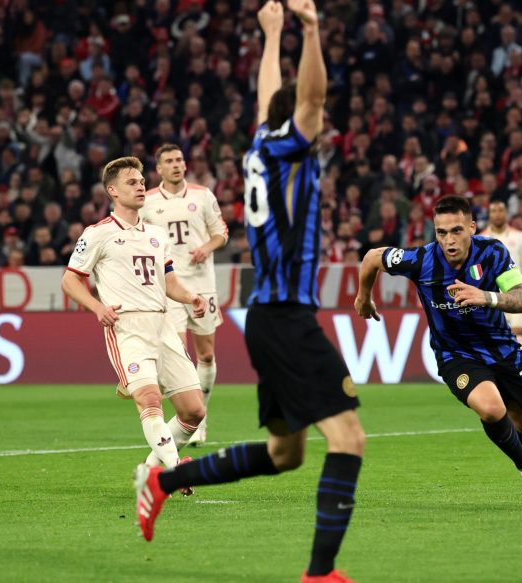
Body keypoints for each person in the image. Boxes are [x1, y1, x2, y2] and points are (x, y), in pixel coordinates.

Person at [134, 4, 366, 583]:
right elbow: (308, 100)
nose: (320, 121)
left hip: (266, 315)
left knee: (287, 454)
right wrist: (309, 31)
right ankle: (321, 574)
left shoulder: (262, 144)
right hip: (287, 317)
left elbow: (275, 100)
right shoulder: (291, 146)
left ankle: (163, 480)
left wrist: (271, 35)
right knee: (349, 440)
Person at [354, 195, 522, 510]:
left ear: (471, 227)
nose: (449, 240)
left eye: (456, 231)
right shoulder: (422, 260)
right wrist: (363, 296)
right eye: (441, 233)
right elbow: (373, 257)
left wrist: (486, 297)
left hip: (502, 349)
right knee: (492, 408)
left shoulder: (492, 253)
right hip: (456, 354)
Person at [61, 156, 208, 479]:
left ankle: (152, 469)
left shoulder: (156, 235)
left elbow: (168, 282)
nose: (141, 186)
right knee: (148, 397)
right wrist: (98, 307)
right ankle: (174, 469)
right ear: (112, 190)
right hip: (126, 326)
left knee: (194, 411)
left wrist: (190, 296)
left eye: (142, 181)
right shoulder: (98, 233)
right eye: (132, 182)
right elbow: (70, 280)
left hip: (162, 322)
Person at [140, 143, 228, 446]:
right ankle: (189, 418)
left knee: (206, 354)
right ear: (159, 169)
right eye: (169, 161)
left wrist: (207, 247)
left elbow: (222, 232)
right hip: (169, 287)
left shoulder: (203, 195)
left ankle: (202, 416)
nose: (176, 165)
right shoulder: (147, 201)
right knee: (177, 351)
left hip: (203, 285)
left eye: (179, 160)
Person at [480, 200, 522, 351]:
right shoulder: (481, 239)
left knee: (518, 337)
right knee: (495, 342)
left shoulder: (520, 237)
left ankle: (520, 373)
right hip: (492, 295)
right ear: (489, 215)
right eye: (494, 211)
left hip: (517, 293)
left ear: (506, 213)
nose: (497, 214)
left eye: (500, 210)